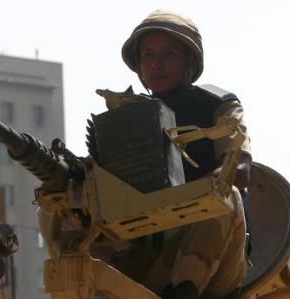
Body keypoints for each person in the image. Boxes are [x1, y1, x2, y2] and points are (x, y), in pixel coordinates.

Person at [102, 9, 252, 299]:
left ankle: (184, 290)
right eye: (148, 55)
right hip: (149, 256)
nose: (156, 64)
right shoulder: (126, 119)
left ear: (190, 61)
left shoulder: (219, 107)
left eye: (168, 54)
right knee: (59, 205)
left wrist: (189, 196)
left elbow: (242, 172)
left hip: (216, 260)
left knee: (225, 193)